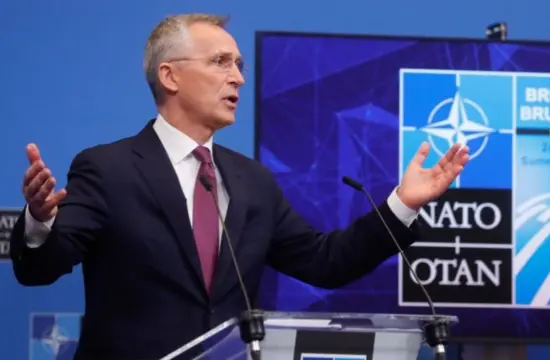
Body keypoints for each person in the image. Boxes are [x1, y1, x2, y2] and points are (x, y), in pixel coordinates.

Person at [10, 13, 469, 360]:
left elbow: (327, 263)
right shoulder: (108, 167)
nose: (238, 78)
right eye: (220, 62)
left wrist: (402, 204)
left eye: (240, 65)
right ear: (170, 75)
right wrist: (40, 222)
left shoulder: (252, 181)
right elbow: (42, 267)